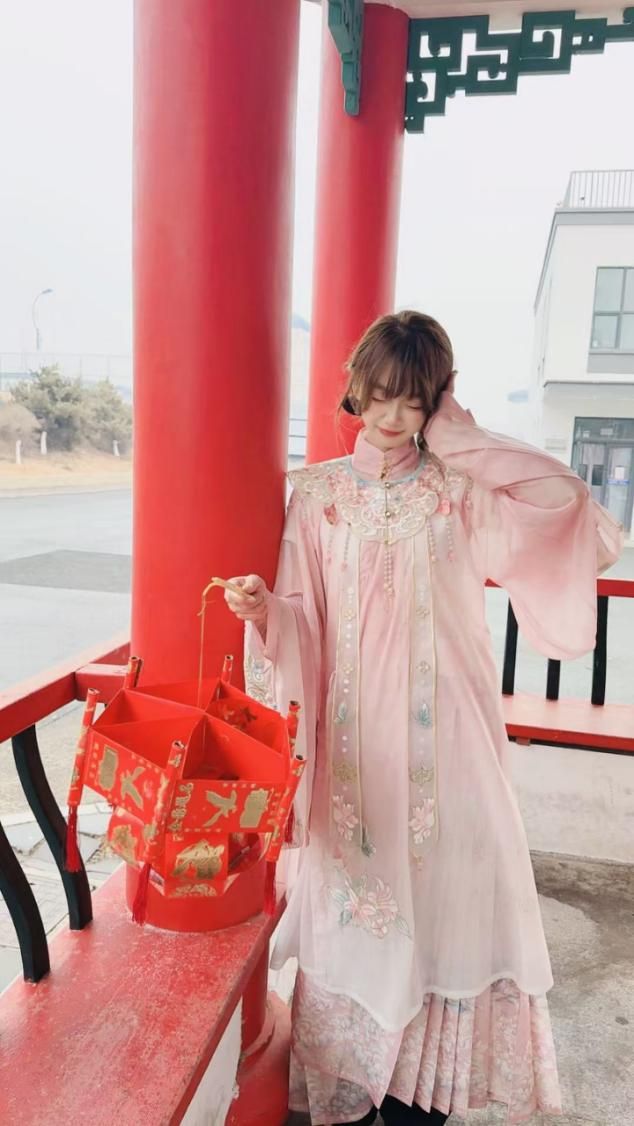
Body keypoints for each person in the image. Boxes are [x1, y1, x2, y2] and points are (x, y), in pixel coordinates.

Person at [224, 311, 623, 1126]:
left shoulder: (458, 492)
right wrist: (266, 612)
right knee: (357, 911)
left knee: (446, 913)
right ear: (356, 388)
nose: (392, 416)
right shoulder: (319, 497)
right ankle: (351, 1086)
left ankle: (423, 1098)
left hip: (453, 751)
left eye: (414, 400)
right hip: (354, 755)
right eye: (380, 395)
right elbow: (303, 616)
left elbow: (564, 501)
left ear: (437, 400)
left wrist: (461, 438)